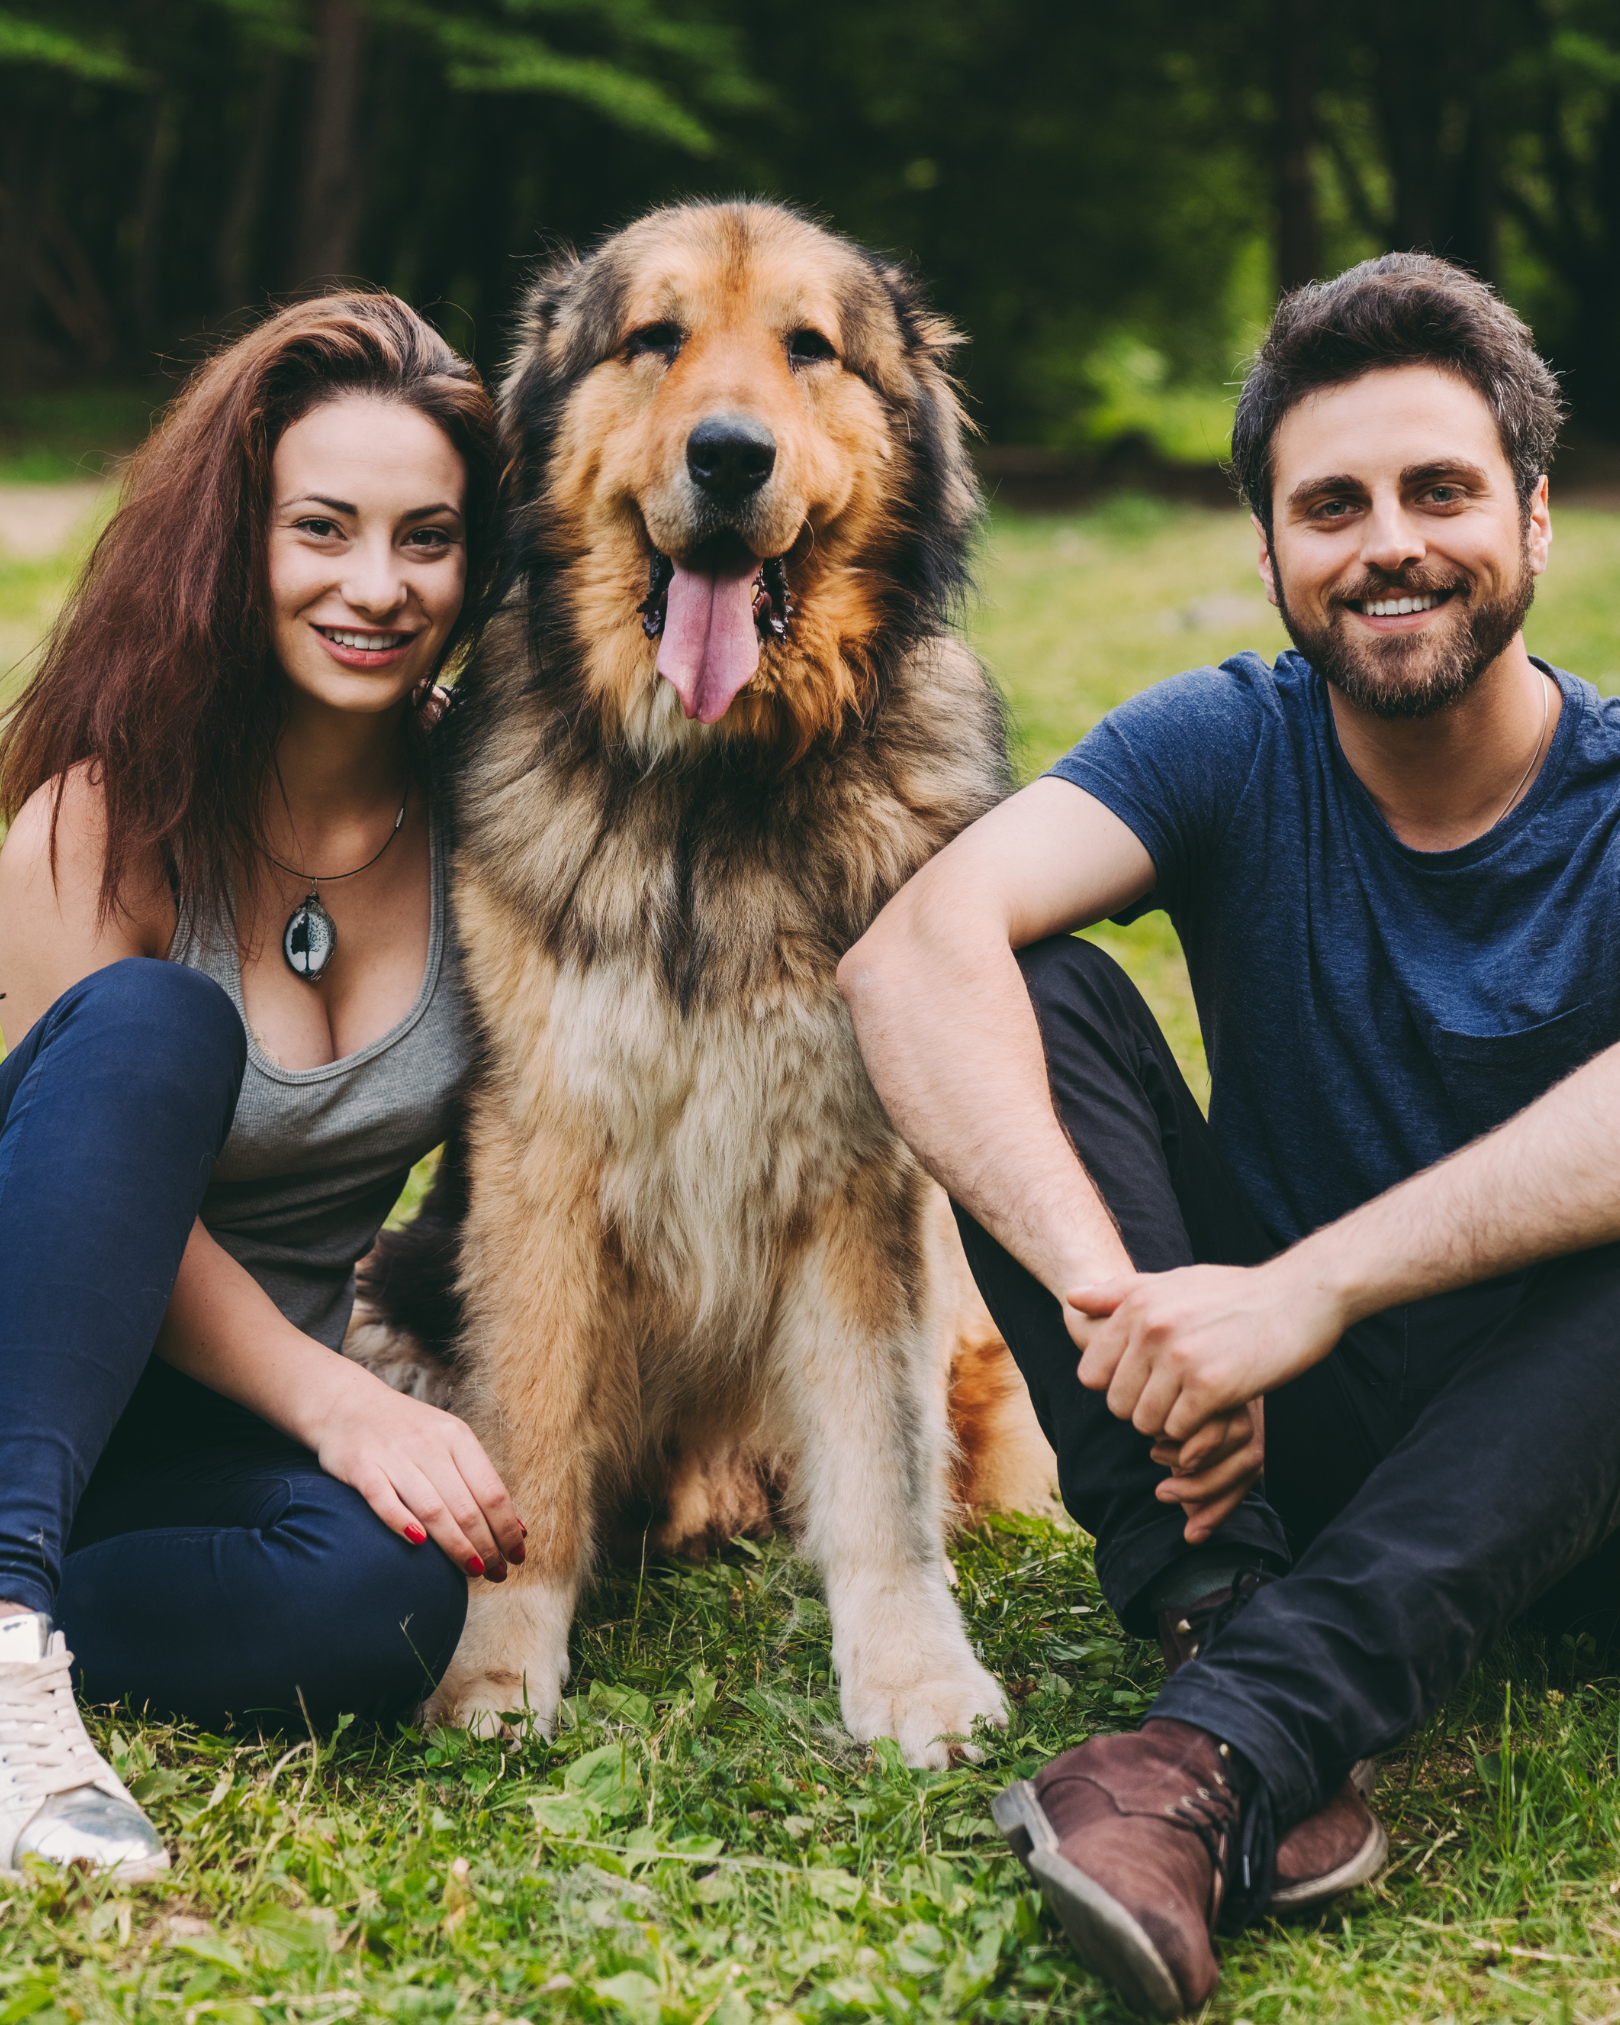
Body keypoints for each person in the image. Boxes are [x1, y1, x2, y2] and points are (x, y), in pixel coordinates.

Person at [838, 252, 1620, 2017]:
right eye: (1329, 505)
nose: (1387, 543)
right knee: (1022, 991)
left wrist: (1312, 1288)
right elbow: (908, 960)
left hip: (1584, 1484)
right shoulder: (1226, 741)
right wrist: (1127, 1307)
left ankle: (1211, 1751)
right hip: (1266, 1458)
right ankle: (1220, 1611)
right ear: (1272, 551)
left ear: (1537, 518)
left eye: (1441, 490)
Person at [0, 295, 526, 1884]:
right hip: (24, 1377)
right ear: (237, 541)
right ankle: (8, 1646)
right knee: (156, 1028)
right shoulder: (106, 813)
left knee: (385, 1600)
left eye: (427, 539)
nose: (378, 587)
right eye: (323, 529)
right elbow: (82, 1205)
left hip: (192, 1448)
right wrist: (343, 1396)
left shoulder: (490, 823)